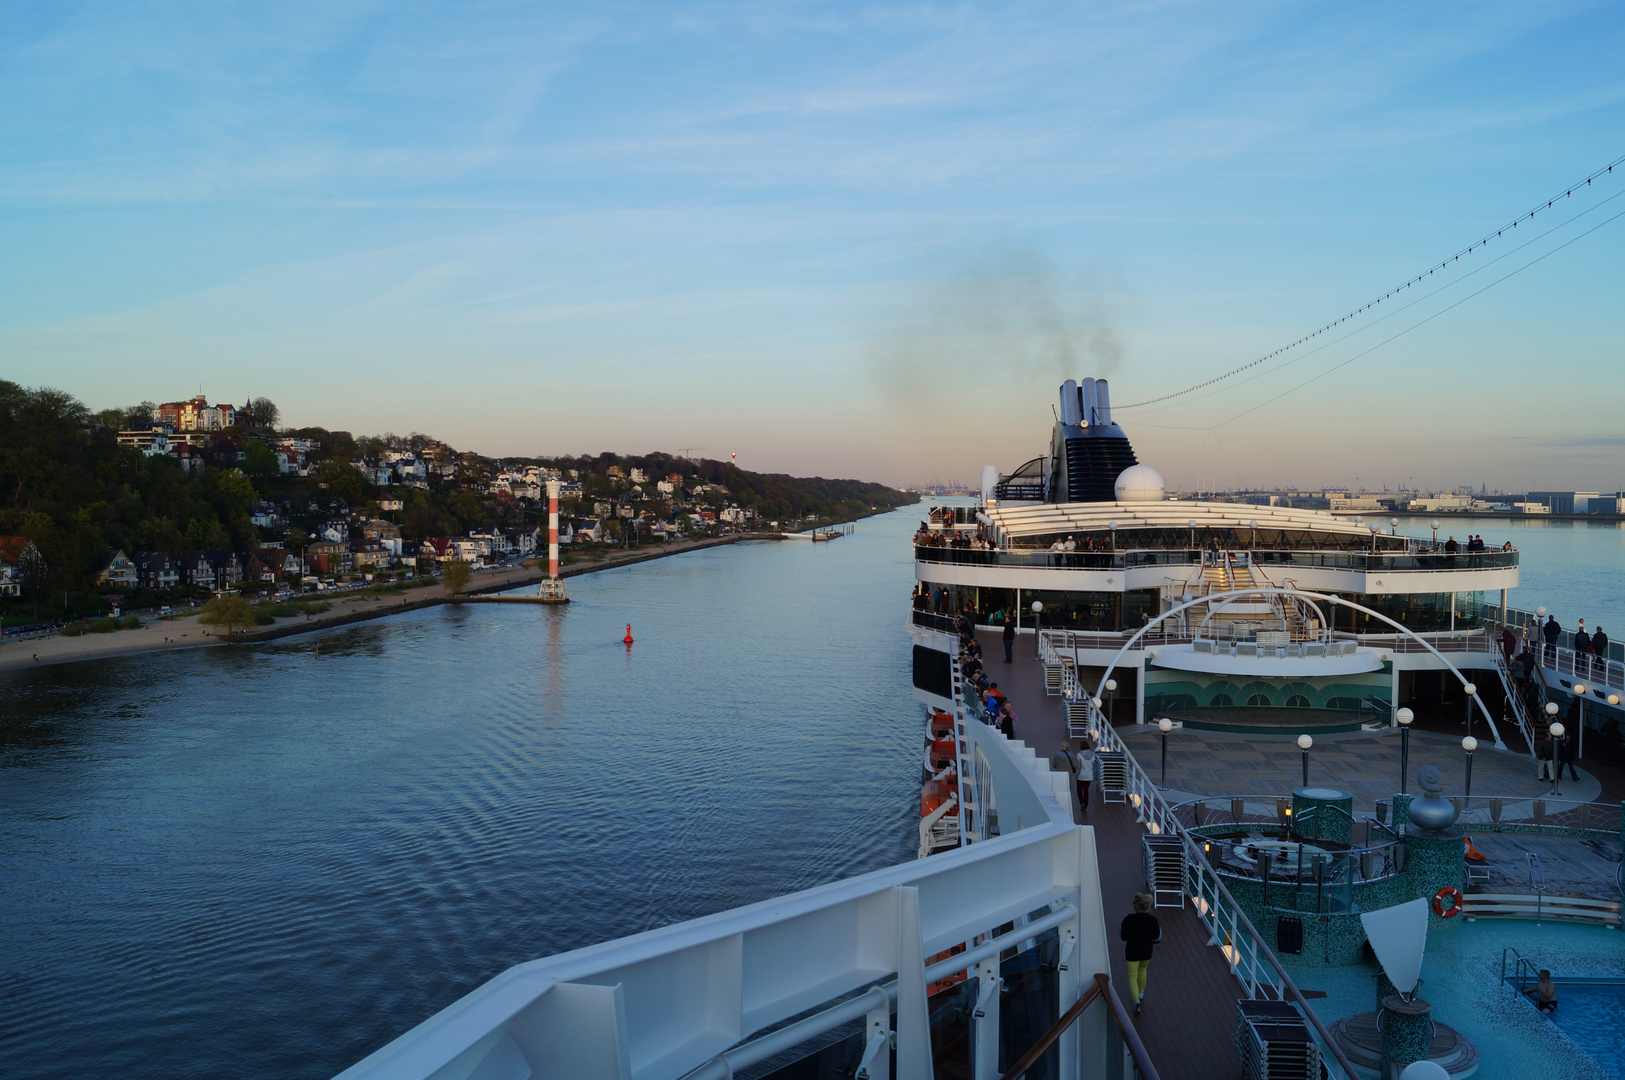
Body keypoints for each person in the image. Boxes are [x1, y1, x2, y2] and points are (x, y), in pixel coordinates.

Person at [1120, 893, 1162, 1015]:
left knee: (1132, 976)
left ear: (1138, 906)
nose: (1133, 904)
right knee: (1143, 970)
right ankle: (1141, 993)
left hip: (1132, 951)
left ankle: (1135, 1000)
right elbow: (1157, 937)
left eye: (1134, 903)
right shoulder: (1152, 920)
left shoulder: (1128, 920)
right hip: (1146, 950)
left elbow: (1123, 936)